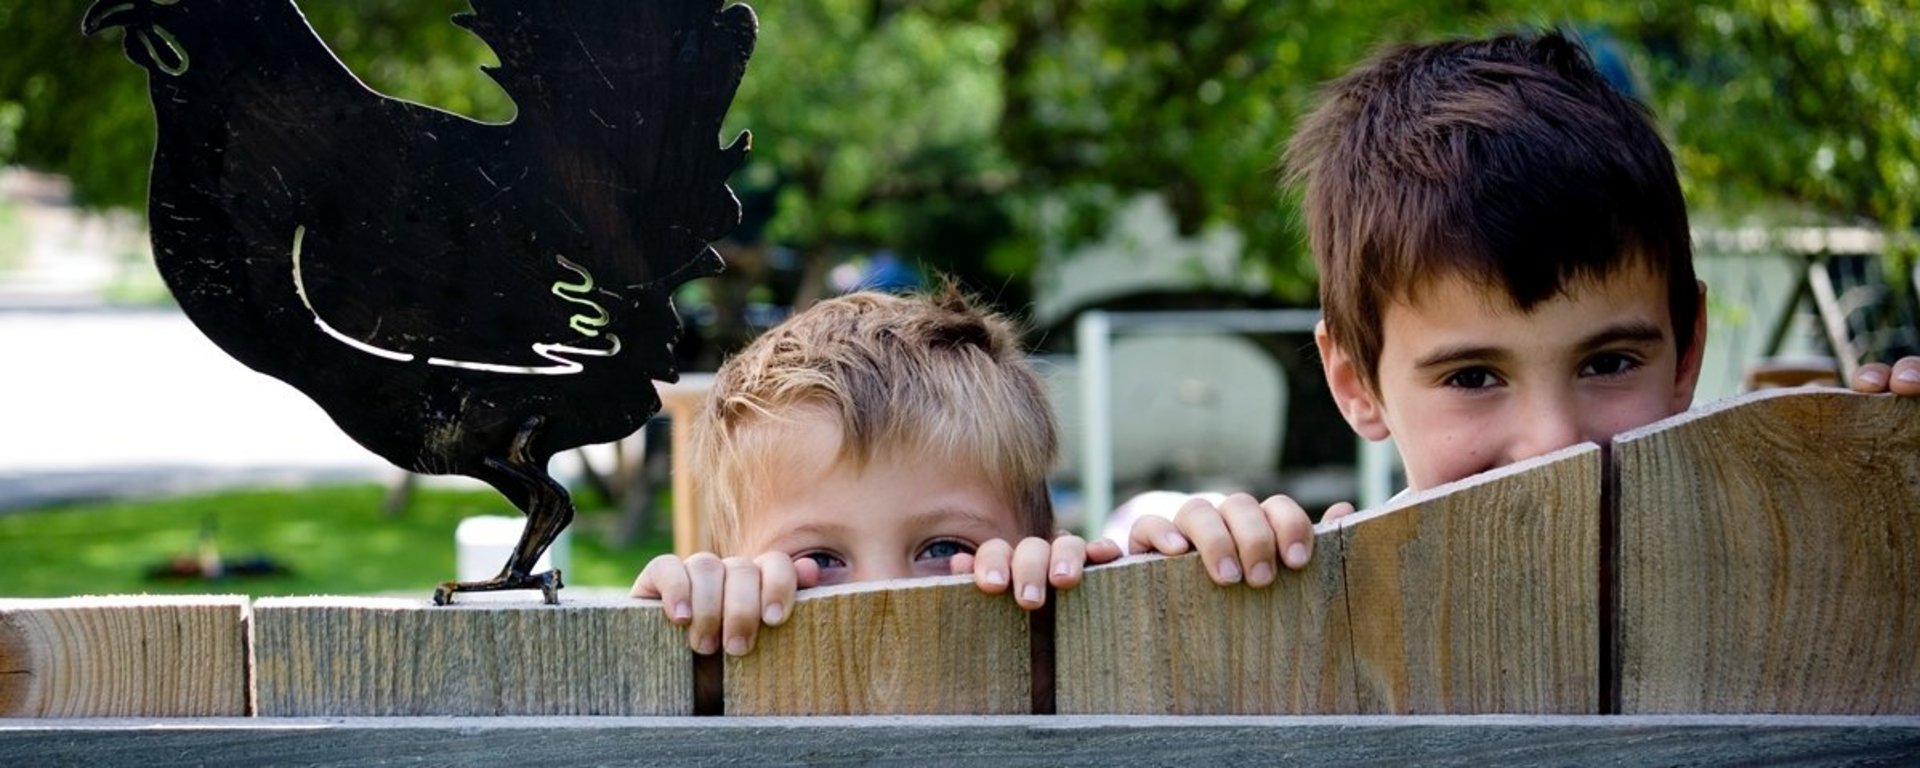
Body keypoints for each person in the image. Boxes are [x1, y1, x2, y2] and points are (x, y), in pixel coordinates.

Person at [1128, 29, 1920, 582]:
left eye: (1609, 363)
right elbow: (1130, 541)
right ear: (1355, 383)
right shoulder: (1319, 587)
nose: (1552, 444)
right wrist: (1171, 538)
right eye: (1473, 376)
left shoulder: (1783, 563)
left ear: (1686, 351)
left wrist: (1885, 483)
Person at [631, 288, 1122, 657]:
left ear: (1040, 543)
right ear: (731, 567)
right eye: (820, 559)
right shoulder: (719, 695)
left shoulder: (1066, 669)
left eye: (946, 549)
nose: (884, 600)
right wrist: (681, 650)